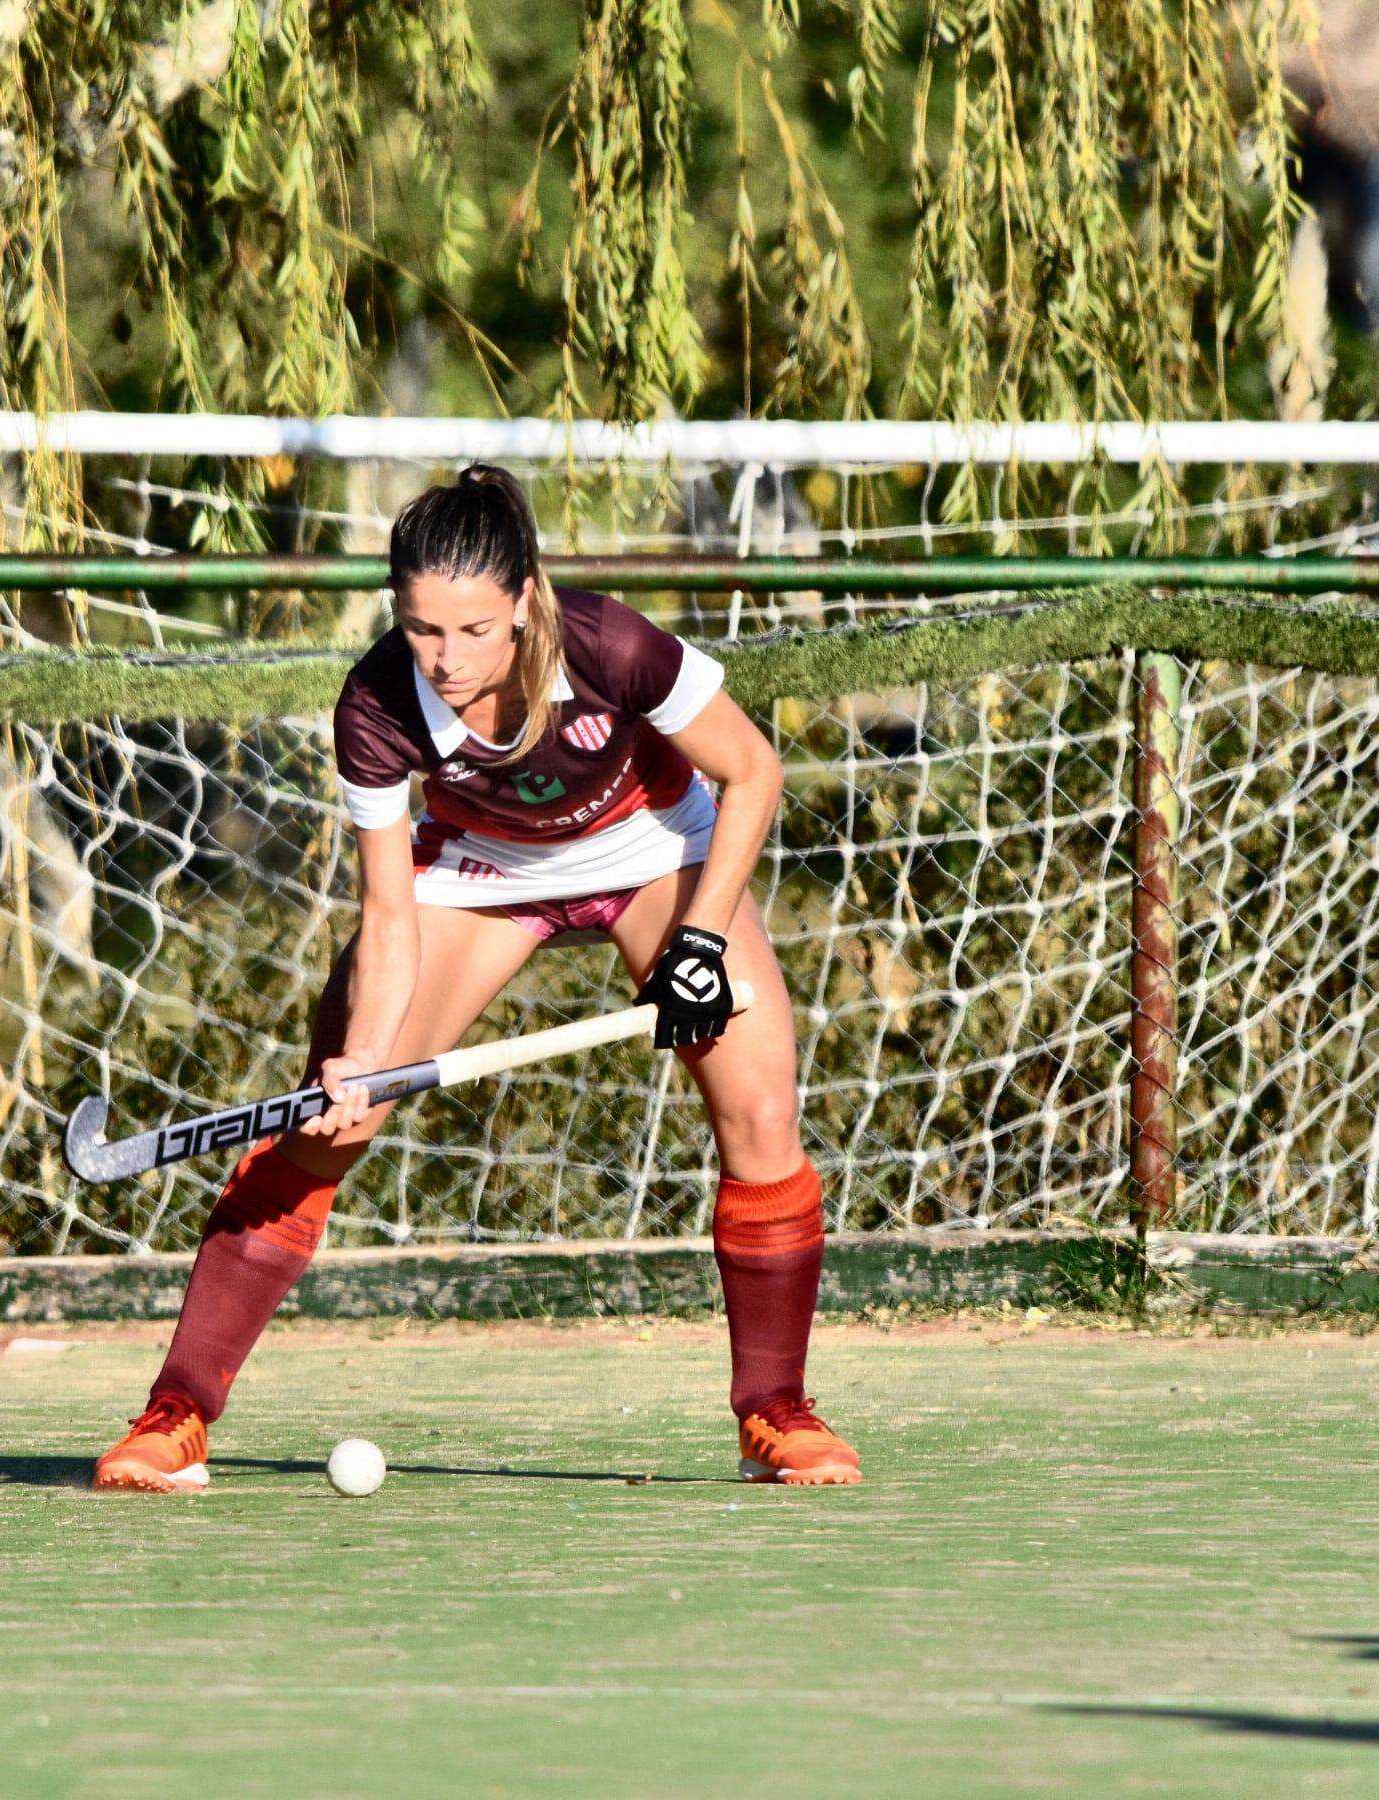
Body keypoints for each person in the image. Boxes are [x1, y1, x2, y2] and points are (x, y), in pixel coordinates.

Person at [93, 466, 860, 1492]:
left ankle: (778, 1414)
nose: (445, 659)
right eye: (421, 629)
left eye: (471, 631)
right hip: (480, 874)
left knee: (761, 1110)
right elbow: (390, 911)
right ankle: (173, 1414)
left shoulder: (607, 644)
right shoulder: (374, 704)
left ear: (528, 599)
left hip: (652, 855)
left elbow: (753, 770)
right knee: (336, 1120)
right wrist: (361, 1058)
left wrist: (702, 942)